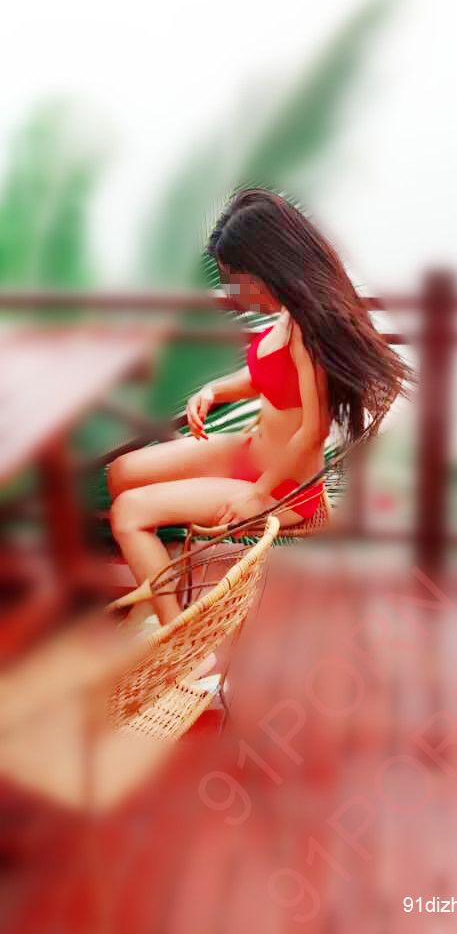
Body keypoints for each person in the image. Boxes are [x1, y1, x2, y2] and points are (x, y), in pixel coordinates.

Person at [107, 188, 412, 625]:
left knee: (129, 513)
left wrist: (257, 495)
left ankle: (181, 635)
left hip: (282, 488)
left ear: (269, 266)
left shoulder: (311, 330)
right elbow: (269, 376)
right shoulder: (290, 314)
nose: (236, 292)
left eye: (239, 278)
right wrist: (214, 390)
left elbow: (313, 433)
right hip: (252, 453)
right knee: (122, 473)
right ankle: (157, 581)